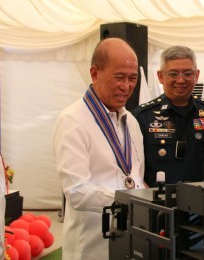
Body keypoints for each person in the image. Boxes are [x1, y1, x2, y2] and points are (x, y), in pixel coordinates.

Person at [53, 38, 145, 260]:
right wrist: (131, 200)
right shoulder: (72, 120)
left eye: (133, 78)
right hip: (92, 247)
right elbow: (76, 191)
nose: (127, 86)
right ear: (95, 74)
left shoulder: (131, 121)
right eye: (119, 77)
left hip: (131, 239)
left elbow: (135, 177)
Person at [133, 45, 204, 187]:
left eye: (188, 73)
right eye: (173, 74)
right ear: (160, 76)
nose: (181, 80)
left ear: (197, 75)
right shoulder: (142, 117)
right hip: (159, 204)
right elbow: (134, 170)